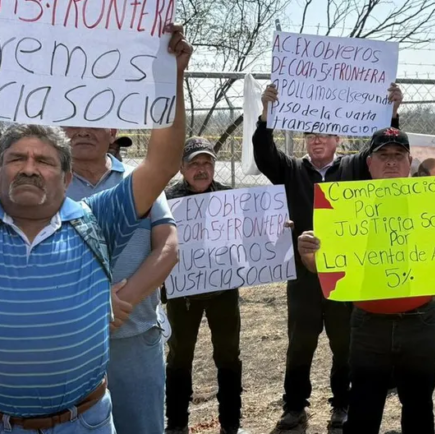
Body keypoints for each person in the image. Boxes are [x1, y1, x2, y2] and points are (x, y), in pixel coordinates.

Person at [0, 23, 190, 434]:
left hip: (88, 415)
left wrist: (170, 77)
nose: (30, 168)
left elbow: (161, 164)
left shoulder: (91, 217)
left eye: (44, 161)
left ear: (65, 180)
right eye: (17, 159)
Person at [296, 127, 435, 433]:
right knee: (363, 410)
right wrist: (309, 255)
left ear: (409, 162)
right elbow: (321, 268)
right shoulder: (345, 208)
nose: (390, 162)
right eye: (383, 156)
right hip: (367, 324)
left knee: (418, 409)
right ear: (370, 164)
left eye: (398, 156)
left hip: (421, 322)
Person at [255, 83, 403, 429]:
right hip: (305, 276)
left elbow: (383, 151)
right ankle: (294, 405)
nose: (316, 140)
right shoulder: (292, 171)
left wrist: (392, 112)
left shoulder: (354, 168)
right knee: (300, 343)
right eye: (310, 135)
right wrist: (266, 113)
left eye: (324, 134)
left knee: (344, 343)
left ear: (338, 139)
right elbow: (264, 155)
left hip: (346, 274)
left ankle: (342, 403)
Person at [65, 127, 179, 434]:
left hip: (135, 338)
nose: (83, 130)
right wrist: (94, 307)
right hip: (69, 347)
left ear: (113, 129)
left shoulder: (140, 180)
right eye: (73, 120)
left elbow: (168, 247)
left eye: (94, 120)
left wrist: (121, 301)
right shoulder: (48, 186)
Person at [163, 137, 249, 434]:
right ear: (181, 167)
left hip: (223, 291)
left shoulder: (230, 198)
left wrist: (274, 225)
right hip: (182, 294)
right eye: (194, 163)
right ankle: (176, 424)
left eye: (207, 163)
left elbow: (254, 231)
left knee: (228, 355)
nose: (201, 169)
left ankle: (231, 424)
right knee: (179, 355)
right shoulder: (166, 201)